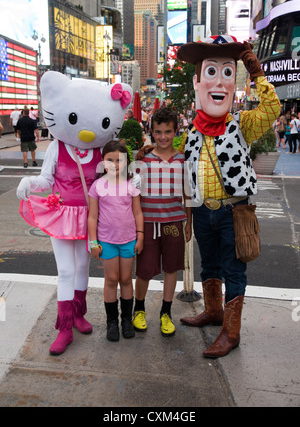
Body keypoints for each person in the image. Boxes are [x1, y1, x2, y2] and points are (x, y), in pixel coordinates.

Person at [176, 35, 281, 358]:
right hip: (203, 212)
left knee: (234, 271)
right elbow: (177, 163)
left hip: (233, 213)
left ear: (234, 81)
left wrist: (258, 75)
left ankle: (230, 333)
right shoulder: (193, 132)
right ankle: (214, 311)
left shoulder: (242, 124)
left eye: (226, 72)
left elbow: (273, 108)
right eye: (210, 72)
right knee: (209, 266)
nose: (218, 81)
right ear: (197, 82)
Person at [16, 71, 132, 355]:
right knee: (66, 270)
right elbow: (45, 179)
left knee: (83, 268)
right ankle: (64, 327)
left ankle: (79, 314)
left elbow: (112, 180)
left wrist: (134, 179)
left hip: (91, 219)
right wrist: (29, 182)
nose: (87, 131)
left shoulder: (101, 152)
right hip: (62, 215)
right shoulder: (57, 146)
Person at [133, 107, 192, 337]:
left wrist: (189, 221)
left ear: (176, 130)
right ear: (151, 132)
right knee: (144, 271)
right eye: (158, 132)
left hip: (174, 223)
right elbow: (134, 195)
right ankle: (139, 309)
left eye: (168, 131)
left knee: (171, 268)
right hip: (147, 224)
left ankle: (166, 313)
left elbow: (188, 194)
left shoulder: (182, 161)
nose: (163, 137)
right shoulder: (142, 159)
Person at [88, 140, 144, 342]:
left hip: (129, 241)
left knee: (126, 279)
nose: (114, 164)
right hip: (106, 242)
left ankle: (126, 320)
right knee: (111, 280)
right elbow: (92, 217)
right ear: (103, 162)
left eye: (119, 160)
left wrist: (140, 236)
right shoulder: (97, 186)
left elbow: (137, 212)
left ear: (126, 162)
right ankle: (112, 322)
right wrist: (93, 243)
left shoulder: (131, 185)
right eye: (109, 160)